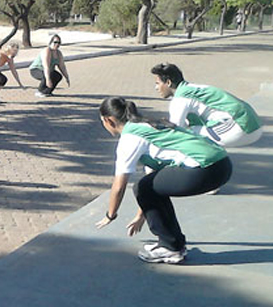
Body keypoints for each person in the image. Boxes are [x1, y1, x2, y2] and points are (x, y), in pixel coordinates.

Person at [95, 96, 233, 264]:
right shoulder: (147, 125)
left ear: (108, 120)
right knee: (147, 186)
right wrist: (142, 214)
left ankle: (171, 248)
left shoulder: (129, 138)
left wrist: (110, 215)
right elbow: (156, 179)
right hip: (223, 164)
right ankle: (172, 243)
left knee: (142, 187)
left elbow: (119, 186)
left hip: (206, 169)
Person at [151, 63, 263, 148]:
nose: (156, 88)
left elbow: (175, 130)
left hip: (242, 127)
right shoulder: (193, 88)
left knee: (187, 135)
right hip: (254, 124)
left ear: (169, 83)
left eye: (158, 84)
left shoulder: (181, 98)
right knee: (192, 130)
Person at [29, 34, 70, 98]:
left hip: (48, 70)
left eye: (59, 43)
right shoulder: (47, 51)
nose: (57, 44)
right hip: (36, 69)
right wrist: (48, 80)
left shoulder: (58, 53)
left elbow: (62, 66)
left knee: (58, 76)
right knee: (47, 75)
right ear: (51, 42)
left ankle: (47, 92)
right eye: (55, 42)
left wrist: (67, 77)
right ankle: (39, 91)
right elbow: (46, 66)